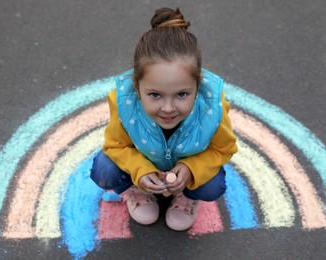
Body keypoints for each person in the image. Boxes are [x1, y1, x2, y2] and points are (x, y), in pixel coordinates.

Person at [90, 7, 238, 231]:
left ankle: (186, 196)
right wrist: (139, 170)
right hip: (144, 166)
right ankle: (137, 191)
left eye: (181, 94)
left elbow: (223, 149)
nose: (168, 108)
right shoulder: (125, 104)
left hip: (184, 173)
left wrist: (191, 169)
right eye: (155, 95)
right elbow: (116, 146)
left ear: (198, 87)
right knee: (104, 169)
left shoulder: (212, 109)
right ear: (137, 87)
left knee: (213, 185)